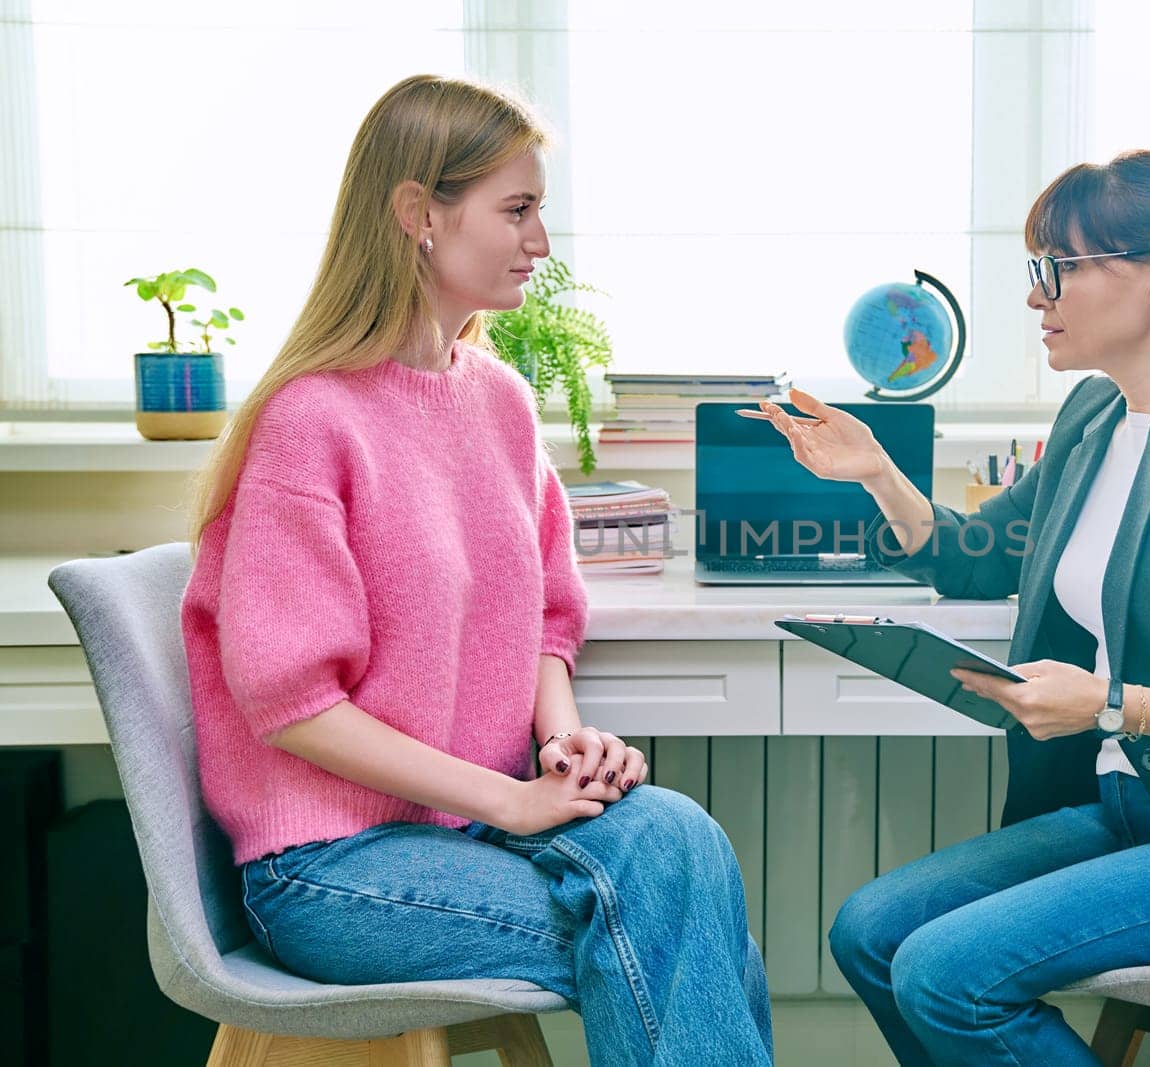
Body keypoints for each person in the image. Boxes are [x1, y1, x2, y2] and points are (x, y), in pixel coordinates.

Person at [752, 150, 1150, 1065]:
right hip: (1135, 807)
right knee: (871, 931)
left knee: (947, 976)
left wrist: (1112, 704)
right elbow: (980, 555)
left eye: (1055, 269)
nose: (1035, 297)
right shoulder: (1096, 420)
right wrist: (877, 474)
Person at [179, 74, 772, 1066]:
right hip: (331, 865)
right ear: (418, 213)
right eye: (518, 210)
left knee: (678, 836)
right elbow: (292, 703)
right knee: (680, 930)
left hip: (472, 824)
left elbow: (544, 611)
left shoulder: (496, 398)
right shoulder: (309, 422)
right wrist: (509, 801)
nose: (541, 244)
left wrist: (565, 745)